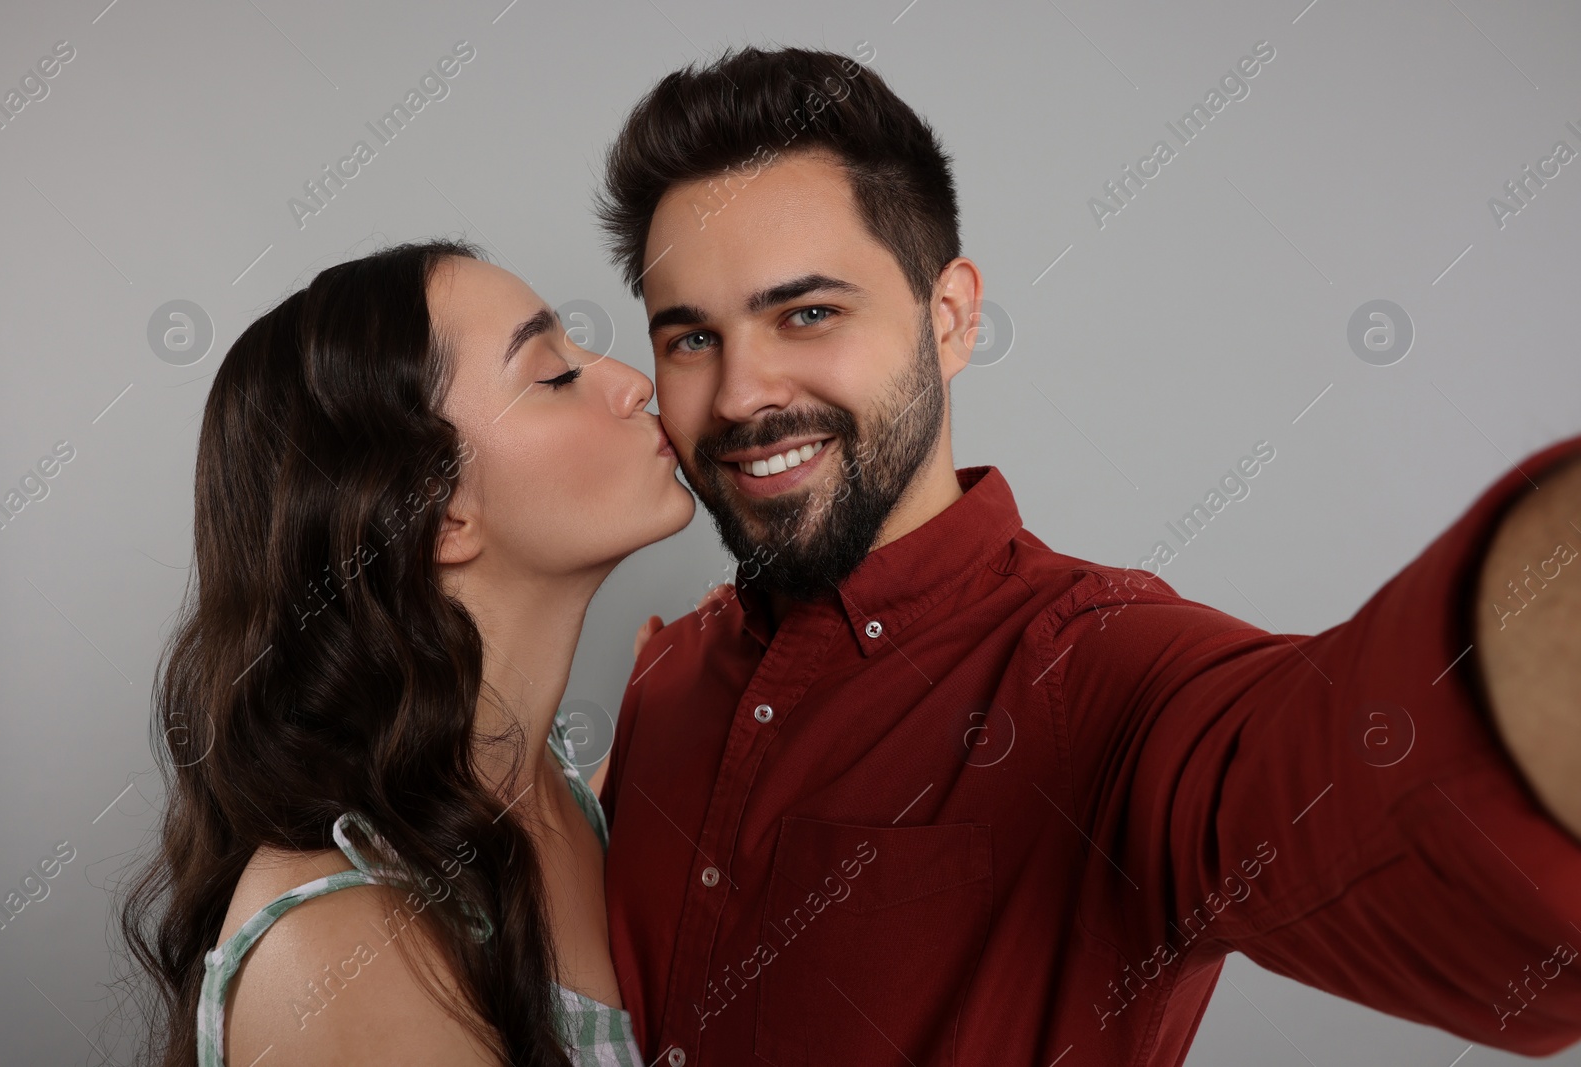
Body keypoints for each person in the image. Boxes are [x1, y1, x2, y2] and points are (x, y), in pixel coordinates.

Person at [591, 47, 1581, 1065]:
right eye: (690, 339)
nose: (743, 392)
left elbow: (1354, 812)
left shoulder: (1100, 669)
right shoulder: (664, 680)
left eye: (806, 313)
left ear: (950, 318)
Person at [121, 238, 690, 1066]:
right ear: (439, 512)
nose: (634, 381)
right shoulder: (345, 955)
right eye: (554, 374)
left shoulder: (538, 783)